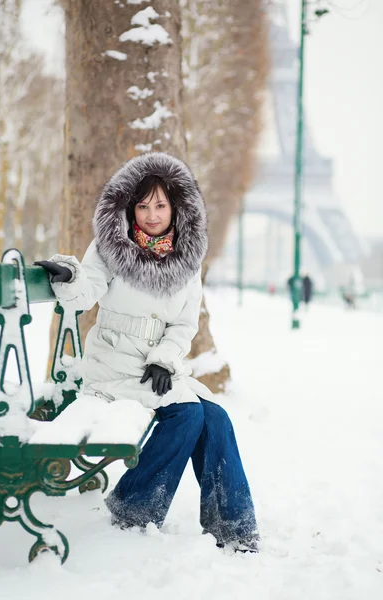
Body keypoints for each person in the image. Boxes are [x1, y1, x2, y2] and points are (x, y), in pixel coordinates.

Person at [35, 152, 258, 553]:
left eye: (160, 204)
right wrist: (69, 277)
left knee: (216, 418)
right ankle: (134, 508)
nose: (152, 214)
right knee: (188, 414)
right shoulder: (110, 246)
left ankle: (234, 526)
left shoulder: (187, 258)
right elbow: (85, 294)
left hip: (156, 369)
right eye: (142, 205)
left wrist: (166, 358)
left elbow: (184, 324)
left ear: (176, 206)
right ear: (129, 207)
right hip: (114, 365)